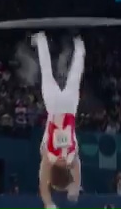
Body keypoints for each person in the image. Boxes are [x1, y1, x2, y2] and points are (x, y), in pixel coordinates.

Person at [33, 32, 84, 209]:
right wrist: (48, 203)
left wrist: (74, 190)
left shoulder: (71, 158)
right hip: (54, 108)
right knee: (46, 72)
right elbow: (42, 182)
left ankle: (79, 46)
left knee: (75, 77)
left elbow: (77, 173)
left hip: (68, 109)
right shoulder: (48, 158)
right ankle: (40, 39)